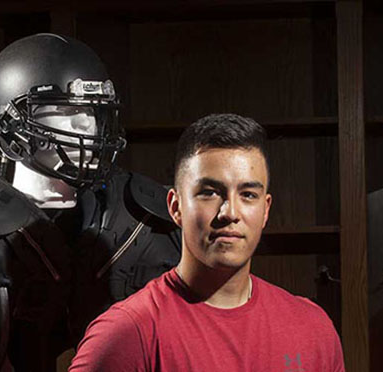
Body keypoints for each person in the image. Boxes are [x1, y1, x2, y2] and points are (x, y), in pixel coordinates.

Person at [0, 33, 180, 372]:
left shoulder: (141, 214)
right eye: (65, 109)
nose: (85, 124)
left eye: (92, 111)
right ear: (11, 123)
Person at [69, 113, 345, 372]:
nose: (230, 212)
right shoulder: (126, 334)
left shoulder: (312, 328)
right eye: (210, 192)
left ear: (265, 210)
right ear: (175, 207)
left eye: (248, 194)